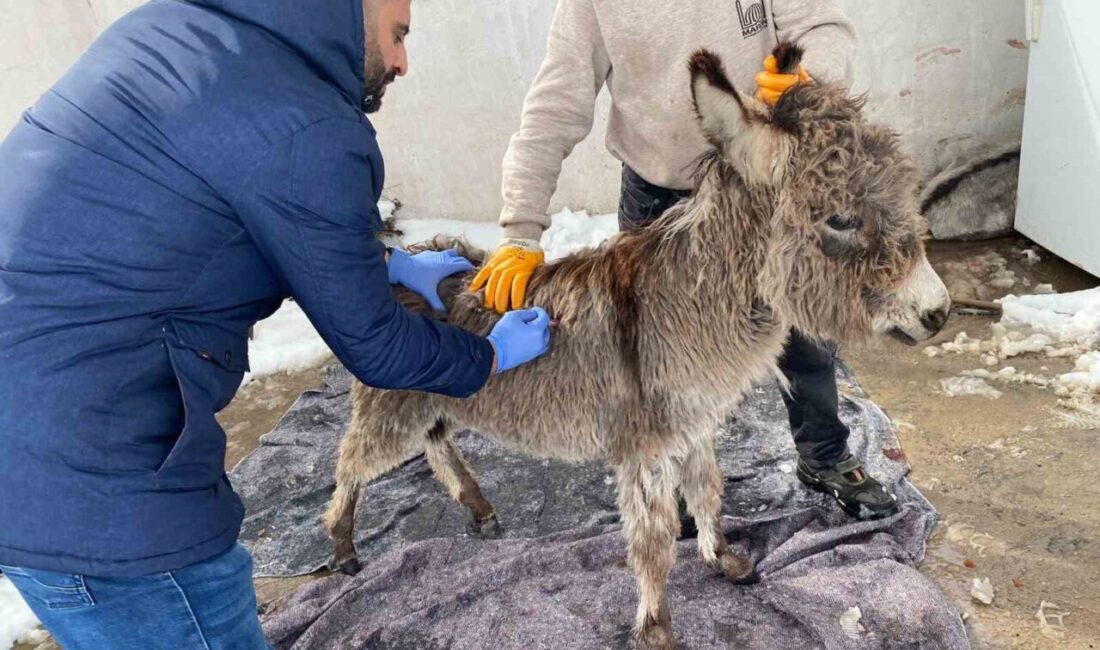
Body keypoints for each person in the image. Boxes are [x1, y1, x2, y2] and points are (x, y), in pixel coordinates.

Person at [0, 0, 550, 647]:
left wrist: (386, 263)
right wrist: (488, 356)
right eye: (398, 35)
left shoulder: (175, 31)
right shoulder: (308, 125)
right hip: (97, 494)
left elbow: (214, 209)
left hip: (32, 456)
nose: (402, 60)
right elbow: (377, 346)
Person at [471, 0, 899, 524]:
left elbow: (821, 24)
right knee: (658, 358)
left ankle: (825, 455)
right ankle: (670, 477)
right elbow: (556, 102)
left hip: (766, 195)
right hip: (660, 197)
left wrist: (812, 80)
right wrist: (520, 229)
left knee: (806, 340)